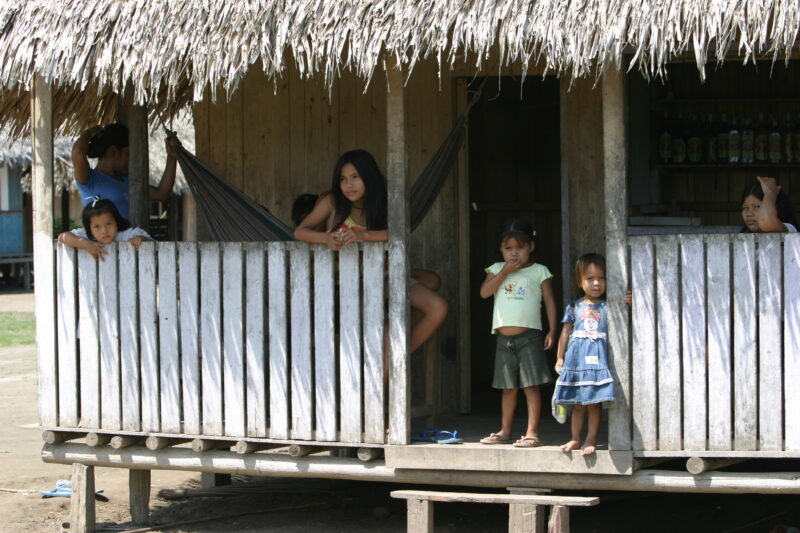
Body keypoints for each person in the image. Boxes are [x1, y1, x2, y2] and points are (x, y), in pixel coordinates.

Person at [294, 149, 447, 352]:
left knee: (437, 307)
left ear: (369, 177)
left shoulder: (383, 202)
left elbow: (398, 233)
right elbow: (300, 232)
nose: (348, 185)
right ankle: (391, 350)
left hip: (380, 277)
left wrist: (362, 236)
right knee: (381, 334)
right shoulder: (332, 202)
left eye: (355, 177)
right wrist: (325, 238)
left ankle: (396, 354)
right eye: (343, 179)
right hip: (344, 285)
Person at [478, 219, 557, 447]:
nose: (514, 253)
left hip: (529, 336)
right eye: (508, 248)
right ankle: (505, 430)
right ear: (501, 249)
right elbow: (484, 293)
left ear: (531, 247)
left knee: (530, 386)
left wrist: (552, 330)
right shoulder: (495, 269)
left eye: (520, 248)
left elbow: (550, 302)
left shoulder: (539, 271)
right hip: (504, 338)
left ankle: (532, 432)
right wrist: (504, 272)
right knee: (508, 388)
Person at [553, 253, 616, 456]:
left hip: (597, 361)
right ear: (580, 281)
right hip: (576, 361)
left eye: (601, 278)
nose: (596, 283)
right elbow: (565, 332)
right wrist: (560, 357)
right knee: (578, 404)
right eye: (590, 278)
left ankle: (591, 439)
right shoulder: (574, 306)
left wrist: (628, 303)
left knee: (593, 404)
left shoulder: (609, 306)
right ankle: (575, 438)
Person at [72, 123, 180, 220]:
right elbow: (78, 152)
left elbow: (162, 194)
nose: (130, 161)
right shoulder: (89, 179)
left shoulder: (129, 181)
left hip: (131, 241)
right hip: (102, 242)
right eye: (127, 154)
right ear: (113, 150)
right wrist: (89, 132)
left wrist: (171, 157)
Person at [58, 197, 151, 261]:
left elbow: (152, 243)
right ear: (89, 228)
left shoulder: (128, 235)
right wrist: (85, 244)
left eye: (109, 224)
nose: (104, 231)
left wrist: (142, 239)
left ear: (117, 221)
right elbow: (62, 237)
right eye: (97, 227)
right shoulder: (86, 236)